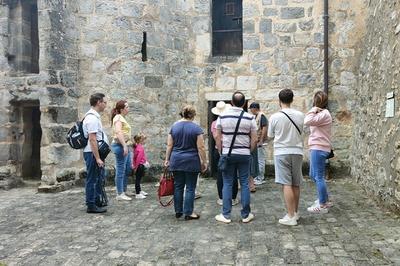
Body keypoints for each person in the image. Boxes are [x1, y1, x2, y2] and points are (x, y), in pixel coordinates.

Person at [215, 92, 257, 224]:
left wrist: (222, 152)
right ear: (244, 103)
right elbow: (255, 139)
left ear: (231, 103)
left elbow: (217, 137)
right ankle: (245, 215)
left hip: (228, 153)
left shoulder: (222, 117)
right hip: (244, 154)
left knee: (227, 183)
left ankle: (226, 215)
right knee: (244, 183)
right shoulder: (250, 118)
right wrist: (248, 151)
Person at [268, 89, 304, 226]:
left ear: (279, 100)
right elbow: (306, 131)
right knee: (296, 183)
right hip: (297, 150)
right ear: (292, 100)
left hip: (282, 151)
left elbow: (270, 135)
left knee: (286, 184)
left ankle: (290, 216)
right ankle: (295, 212)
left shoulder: (275, 117)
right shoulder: (300, 115)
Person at [164, 105, 207, 220]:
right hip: (191, 160)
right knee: (190, 187)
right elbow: (201, 147)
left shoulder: (174, 127)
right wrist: (204, 161)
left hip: (176, 159)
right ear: (193, 115)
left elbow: (169, 145)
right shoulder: (196, 128)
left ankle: (178, 211)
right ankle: (189, 212)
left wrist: (167, 159)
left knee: (178, 186)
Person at [304, 91, 333, 214]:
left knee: (318, 177)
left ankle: (322, 205)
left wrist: (313, 108)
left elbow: (307, 120)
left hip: (319, 148)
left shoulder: (324, 114)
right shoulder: (321, 114)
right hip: (317, 147)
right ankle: (324, 199)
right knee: (313, 175)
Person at [82, 93, 108, 213]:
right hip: (92, 153)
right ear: (98, 102)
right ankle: (91, 205)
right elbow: (92, 139)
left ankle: (96, 201)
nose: (105, 105)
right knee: (92, 179)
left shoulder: (94, 116)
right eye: (104, 102)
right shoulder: (92, 118)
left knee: (97, 178)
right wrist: (97, 158)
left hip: (94, 153)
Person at [211, 101, 239, 206]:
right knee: (233, 173)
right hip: (231, 149)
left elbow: (216, 137)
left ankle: (222, 198)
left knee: (221, 174)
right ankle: (233, 197)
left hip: (219, 149)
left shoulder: (214, 123)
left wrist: (219, 149)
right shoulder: (231, 121)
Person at [111, 100, 133, 201]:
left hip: (125, 145)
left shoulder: (122, 118)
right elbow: (119, 132)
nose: (129, 109)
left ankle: (124, 190)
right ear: (121, 109)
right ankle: (119, 194)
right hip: (120, 146)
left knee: (127, 168)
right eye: (127, 107)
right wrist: (124, 146)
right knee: (120, 170)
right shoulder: (118, 117)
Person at [249, 102, 268, 186]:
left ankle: (260, 178)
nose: (250, 111)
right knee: (257, 159)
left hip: (260, 142)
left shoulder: (262, 116)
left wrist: (261, 141)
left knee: (260, 160)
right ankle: (258, 177)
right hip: (257, 141)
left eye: (251, 109)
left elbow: (264, 128)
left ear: (254, 108)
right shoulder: (256, 116)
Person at [132, 133, 149, 199]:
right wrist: (135, 167)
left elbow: (136, 157)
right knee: (138, 180)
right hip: (139, 166)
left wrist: (145, 161)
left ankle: (139, 190)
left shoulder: (137, 147)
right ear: (140, 140)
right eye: (144, 140)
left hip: (140, 165)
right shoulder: (140, 148)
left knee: (139, 179)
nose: (145, 141)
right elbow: (138, 158)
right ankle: (138, 194)